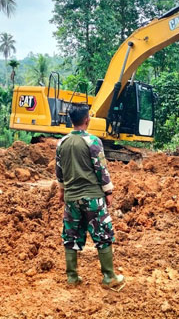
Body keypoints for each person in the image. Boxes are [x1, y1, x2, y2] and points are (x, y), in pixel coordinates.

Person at [55, 103, 125, 289]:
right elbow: (101, 168)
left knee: (71, 235)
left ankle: (72, 278)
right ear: (87, 119)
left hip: (71, 198)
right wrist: (108, 191)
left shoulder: (61, 143)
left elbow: (59, 171)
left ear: (71, 120)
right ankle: (109, 277)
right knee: (103, 234)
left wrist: (62, 191)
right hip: (92, 197)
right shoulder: (92, 141)